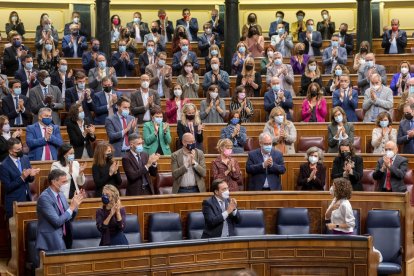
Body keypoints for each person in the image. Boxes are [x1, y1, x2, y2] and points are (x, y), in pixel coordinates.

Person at [35, 169, 84, 267]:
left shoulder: (60, 195)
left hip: (65, 237)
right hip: (50, 241)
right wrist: (71, 207)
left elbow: (69, 218)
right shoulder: (44, 198)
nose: (66, 184)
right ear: (54, 182)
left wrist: (75, 205)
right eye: (63, 182)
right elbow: (57, 221)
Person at [0, 138, 39, 218]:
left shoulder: (25, 158)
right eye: (18, 149)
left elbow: (30, 180)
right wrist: (22, 177)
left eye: (21, 148)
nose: (21, 151)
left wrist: (31, 175)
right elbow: (8, 187)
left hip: (27, 198)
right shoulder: (4, 166)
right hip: (14, 202)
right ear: (10, 151)